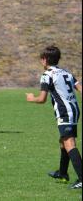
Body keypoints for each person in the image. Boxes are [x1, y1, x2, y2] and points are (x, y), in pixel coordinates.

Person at [26, 45, 82, 189]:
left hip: (65, 112)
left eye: (41, 59)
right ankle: (63, 173)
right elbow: (80, 88)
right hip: (74, 110)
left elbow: (42, 99)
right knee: (63, 141)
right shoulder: (66, 72)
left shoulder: (47, 75)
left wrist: (31, 98)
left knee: (69, 143)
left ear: (44, 60)